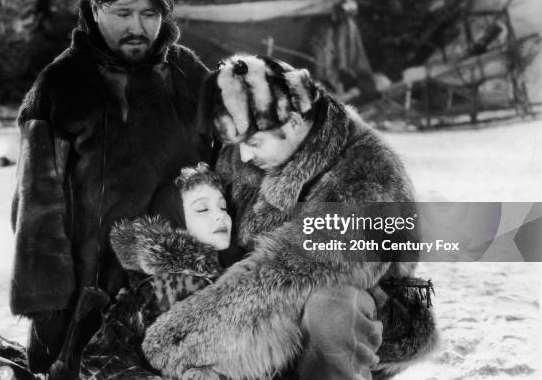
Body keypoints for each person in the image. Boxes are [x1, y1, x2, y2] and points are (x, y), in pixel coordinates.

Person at [142, 55, 437, 380]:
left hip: (367, 313)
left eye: (253, 143)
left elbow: (292, 274)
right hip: (256, 309)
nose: (243, 156)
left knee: (332, 308)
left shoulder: (369, 171)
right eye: (237, 144)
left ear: (295, 122)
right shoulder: (255, 140)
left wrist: (184, 336)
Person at [9, 0, 212, 376]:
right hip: (93, 299)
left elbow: (233, 162)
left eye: (150, 13)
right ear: (96, 7)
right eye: (123, 13)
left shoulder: (186, 72)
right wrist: (49, 311)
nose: (138, 28)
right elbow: (36, 211)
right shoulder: (60, 85)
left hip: (185, 287)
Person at [80, 162, 232, 379]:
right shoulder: (164, 286)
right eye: (202, 209)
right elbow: (97, 358)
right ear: (175, 220)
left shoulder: (228, 277)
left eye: (223, 207)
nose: (220, 216)